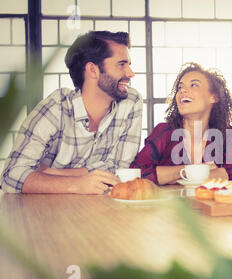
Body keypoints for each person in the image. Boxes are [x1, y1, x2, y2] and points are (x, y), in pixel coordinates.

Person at [1, 31, 143, 194]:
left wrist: (48, 172)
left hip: (101, 210)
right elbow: (11, 176)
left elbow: (118, 172)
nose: (130, 73)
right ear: (92, 70)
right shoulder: (56, 107)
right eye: (122, 64)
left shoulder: (131, 101)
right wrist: (76, 185)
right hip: (46, 211)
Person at [130, 62, 232, 185]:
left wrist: (168, 175)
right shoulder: (164, 132)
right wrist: (191, 171)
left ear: (214, 97)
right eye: (180, 87)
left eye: (194, 85)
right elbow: (137, 173)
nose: (183, 91)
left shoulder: (225, 133)